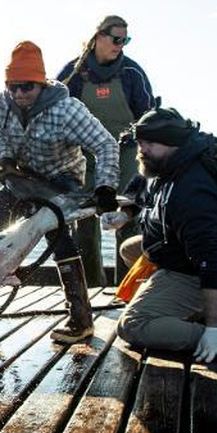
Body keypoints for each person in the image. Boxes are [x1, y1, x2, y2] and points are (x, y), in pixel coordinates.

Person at [0, 40, 120, 343]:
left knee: (57, 236)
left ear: (40, 84)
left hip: (62, 178)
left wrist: (105, 186)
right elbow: (3, 140)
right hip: (24, 175)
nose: (19, 94)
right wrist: (5, 160)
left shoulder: (67, 110)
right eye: (12, 87)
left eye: (26, 87)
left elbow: (105, 145)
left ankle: (80, 320)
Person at [115, 107, 217, 363]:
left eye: (148, 143)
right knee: (129, 249)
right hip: (179, 252)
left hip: (207, 269)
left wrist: (214, 331)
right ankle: (187, 309)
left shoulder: (193, 190)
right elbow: (147, 186)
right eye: (139, 142)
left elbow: (212, 258)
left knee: (132, 324)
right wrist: (126, 213)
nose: (141, 149)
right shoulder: (172, 161)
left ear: (172, 142)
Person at [57, 15, 155, 287]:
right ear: (98, 36)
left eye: (126, 40)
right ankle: (91, 286)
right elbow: (56, 112)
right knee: (85, 222)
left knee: (127, 219)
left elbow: (147, 116)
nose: (120, 45)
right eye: (116, 39)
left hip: (126, 153)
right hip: (84, 154)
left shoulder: (132, 73)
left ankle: (128, 287)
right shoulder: (73, 73)